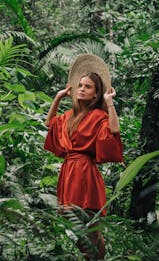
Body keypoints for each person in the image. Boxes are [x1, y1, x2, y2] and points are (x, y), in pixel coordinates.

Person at [44, 55, 123, 260]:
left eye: (87, 87)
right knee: (74, 223)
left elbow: (114, 129)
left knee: (89, 226)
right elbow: (49, 123)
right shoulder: (69, 116)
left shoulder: (98, 116)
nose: (81, 89)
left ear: (95, 93)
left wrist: (109, 102)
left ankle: (96, 258)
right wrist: (59, 97)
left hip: (85, 173)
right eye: (79, 85)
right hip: (69, 172)